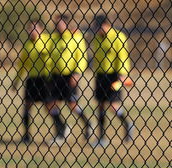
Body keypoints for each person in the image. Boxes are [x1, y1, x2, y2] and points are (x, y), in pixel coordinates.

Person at [46, 14, 91, 146]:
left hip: (69, 76)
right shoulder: (53, 39)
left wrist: (77, 73)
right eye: (56, 23)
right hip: (55, 76)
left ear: (66, 24)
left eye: (60, 23)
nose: (58, 26)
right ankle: (61, 130)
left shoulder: (75, 37)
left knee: (72, 104)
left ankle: (88, 123)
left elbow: (81, 57)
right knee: (50, 104)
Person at [92, 14, 133, 147]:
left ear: (105, 24)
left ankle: (127, 123)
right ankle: (101, 138)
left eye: (98, 27)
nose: (96, 30)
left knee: (113, 106)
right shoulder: (97, 39)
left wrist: (122, 74)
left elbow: (123, 56)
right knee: (100, 106)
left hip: (114, 76)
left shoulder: (118, 37)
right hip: (101, 75)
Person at [12, 19, 52, 143]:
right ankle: (26, 135)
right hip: (32, 79)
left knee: (49, 107)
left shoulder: (48, 41)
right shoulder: (28, 45)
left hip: (45, 79)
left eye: (34, 28)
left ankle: (61, 130)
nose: (32, 31)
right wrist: (16, 81)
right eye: (29, 29)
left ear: (41, 29)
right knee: (27, 107)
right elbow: (22, 65)